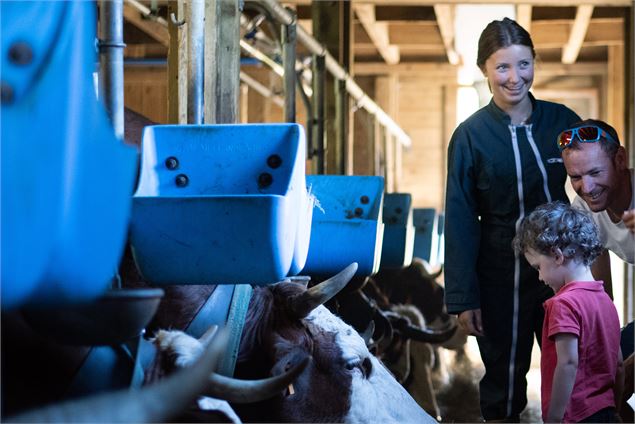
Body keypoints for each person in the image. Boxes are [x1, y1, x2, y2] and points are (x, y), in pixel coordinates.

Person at [443, 17, 581, 421]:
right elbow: (461, 217)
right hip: (499, 272)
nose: (514, 77)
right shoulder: (470, 136)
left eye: (523, 64)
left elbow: (599, 178)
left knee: (572, 368)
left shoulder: (562, 123)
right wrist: (464, 297)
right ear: (484, 69)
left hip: (562, 267)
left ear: (534, 62)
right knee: (503, 378)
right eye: (502, 66)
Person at [512, 201, 623, 423]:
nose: (540, 278)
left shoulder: (562, 304)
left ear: (557, 255)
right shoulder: (604, 299)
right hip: (606, 410)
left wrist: (554, 416)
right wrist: (616, 408)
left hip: (575, 415)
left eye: (538, 268)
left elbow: (568, 363)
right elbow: (618, 363)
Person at [558, 118, 634, 422]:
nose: (586, 188)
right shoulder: (585, 209)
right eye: (575, 176)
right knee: (597, 378)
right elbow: (599, 293)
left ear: (620, 160)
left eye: (595, 172)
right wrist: (607, 351)